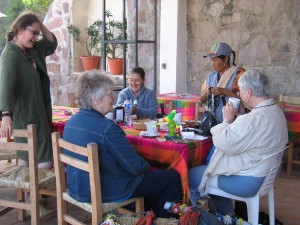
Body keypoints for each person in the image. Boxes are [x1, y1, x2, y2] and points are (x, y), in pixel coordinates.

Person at [63, 70, 182, 218]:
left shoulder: (70, 123)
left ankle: (147, 217)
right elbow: (136, 167)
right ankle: (165, 220)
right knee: (171, 178)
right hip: (107, 190)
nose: (113, 98)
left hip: (77, 187)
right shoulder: (107, 128)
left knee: (153, 182)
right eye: (109, 94)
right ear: (95, 99)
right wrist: (149, 164)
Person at [189, 69, 288, 215]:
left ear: (248, 92)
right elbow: (250, 135)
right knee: (214, 169)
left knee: (193, 174)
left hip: (248, 181)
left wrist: (227, 120)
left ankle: (208, 218)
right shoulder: (276, 111)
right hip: (265, 176)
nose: (239, 94)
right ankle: (227, 214)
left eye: (240, 91)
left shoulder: (254, 118)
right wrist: (241, 115)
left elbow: (224, 143)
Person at [0, 12, 57, 169]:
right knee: (43, 161)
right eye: (33, 32)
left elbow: (51, 44)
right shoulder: (10, 54)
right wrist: (6, 115)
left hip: (40, 115)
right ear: (19, 30)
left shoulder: (31, 50)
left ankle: (29, 194)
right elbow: (6, 87)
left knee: (28, 162)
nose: (36, 37)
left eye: (38, 34)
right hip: (26, 117)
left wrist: (38, 21)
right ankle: (33, 195)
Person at [200, 41, 245, 122]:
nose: (212, 64)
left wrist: (224, 91)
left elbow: (245, 100)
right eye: (211, 60)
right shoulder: (211, 76)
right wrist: (206, 92)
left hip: (232, 122)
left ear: (226, 59)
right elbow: (202, 100)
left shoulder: (239, 74)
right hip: (212, 122)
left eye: (214, 60)